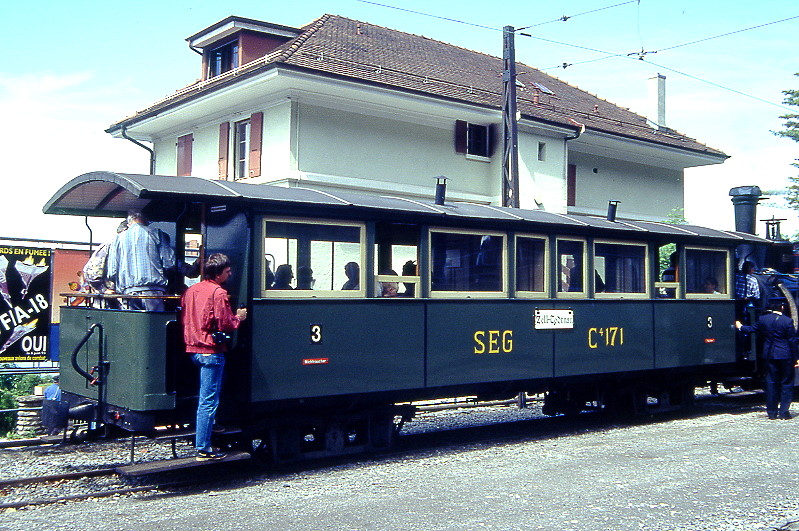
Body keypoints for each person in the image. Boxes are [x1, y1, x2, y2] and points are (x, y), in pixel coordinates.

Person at [182, 253, 247, 460]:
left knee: (214, 389)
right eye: (227, 271)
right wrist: (239, 317)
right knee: (208, 400)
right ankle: (204, 448)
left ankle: (211, 425)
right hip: (211, 351)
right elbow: (226, 323)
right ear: (219, 273)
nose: (230, 274)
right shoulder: (218, 293)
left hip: (193, 349)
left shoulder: (192, 290)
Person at [736, 300, 797, 420]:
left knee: (771, 382)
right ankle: (784, 412)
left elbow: (751, 329)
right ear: (782, 307)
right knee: (786, 383)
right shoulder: (788, 321)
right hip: (785, 355)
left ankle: (772, 413)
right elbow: (792, 341)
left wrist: (740, 326)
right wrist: (796, 358)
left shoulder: (764, 319)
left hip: (769, 355)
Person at [106, 212, 176, 311]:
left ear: (128, 223)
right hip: (153, 291)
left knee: (132, 324)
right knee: (154, 323)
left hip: (128, 293)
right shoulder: (157, 234)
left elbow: (112, 272)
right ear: (146, 221)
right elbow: (169, 263)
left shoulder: (118, 238)